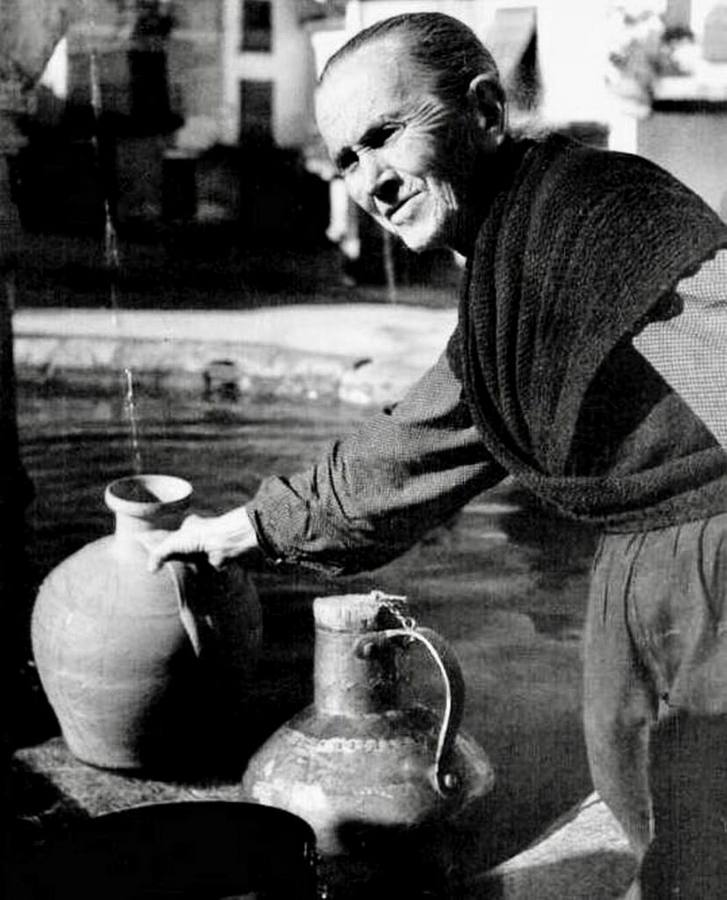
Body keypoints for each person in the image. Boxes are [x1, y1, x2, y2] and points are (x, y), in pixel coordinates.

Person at [144, 13, 727, 899]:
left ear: (485, 109)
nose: (368, 181)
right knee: (654, 821)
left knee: (701, 846)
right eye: (345, 159)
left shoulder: (601, 215)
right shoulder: (513, 265)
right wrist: (242, 530)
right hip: (639, 572)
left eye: (384, 136)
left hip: (713, 572)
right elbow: (414, 447)